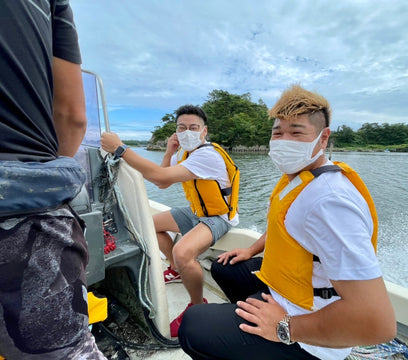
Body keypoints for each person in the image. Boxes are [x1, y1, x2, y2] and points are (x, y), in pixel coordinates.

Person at [178, 85, 396, 360]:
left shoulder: (330, 202)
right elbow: (285, 223)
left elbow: (377, 322)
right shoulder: (300, 177)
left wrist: (284, 327)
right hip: (293, 291)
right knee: (227, 268)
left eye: (296, 132)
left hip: (312, 337)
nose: (283, 141)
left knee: (193, 325)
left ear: (323, 138)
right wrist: (250, 250)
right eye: (278, 132)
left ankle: (270, 339)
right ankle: (252, 337)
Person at [0, 1, 107, 359]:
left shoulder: (208, 157)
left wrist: (122, 151)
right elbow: (72, 116)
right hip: (27, 216)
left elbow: (164, 178)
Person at [100, 104, 239, 337]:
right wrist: (169, 152)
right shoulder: (184, 154)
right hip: (196, 211)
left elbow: (159, 175)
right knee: (149, 225)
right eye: (181, 127)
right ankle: (175, 269)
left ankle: (197, 305)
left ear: (204, 131)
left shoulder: (207, 154)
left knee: (184, 252)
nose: (187, 132)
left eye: (193, 127)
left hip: (219, 217)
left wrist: (120, 149)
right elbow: (162, 183)